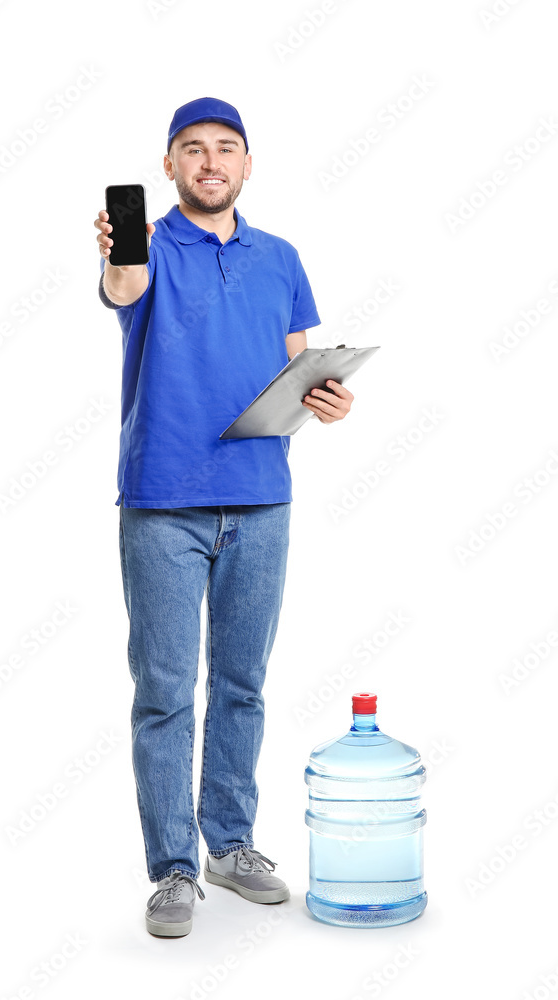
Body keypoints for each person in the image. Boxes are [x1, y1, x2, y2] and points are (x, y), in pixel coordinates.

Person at [94, 97, 354, 937]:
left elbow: (298, 370)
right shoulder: (145, 246)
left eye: (226, 149)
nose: (210, 162)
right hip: (163, 503)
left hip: (261, 500)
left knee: (241, 685)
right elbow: (120, 288)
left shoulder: (279, 258)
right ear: (168, 165)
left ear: (247, 165)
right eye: (192, 150)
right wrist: (115, 251)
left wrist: (327, 396)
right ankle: (172, 868)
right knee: (166, 693)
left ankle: (230, 844)